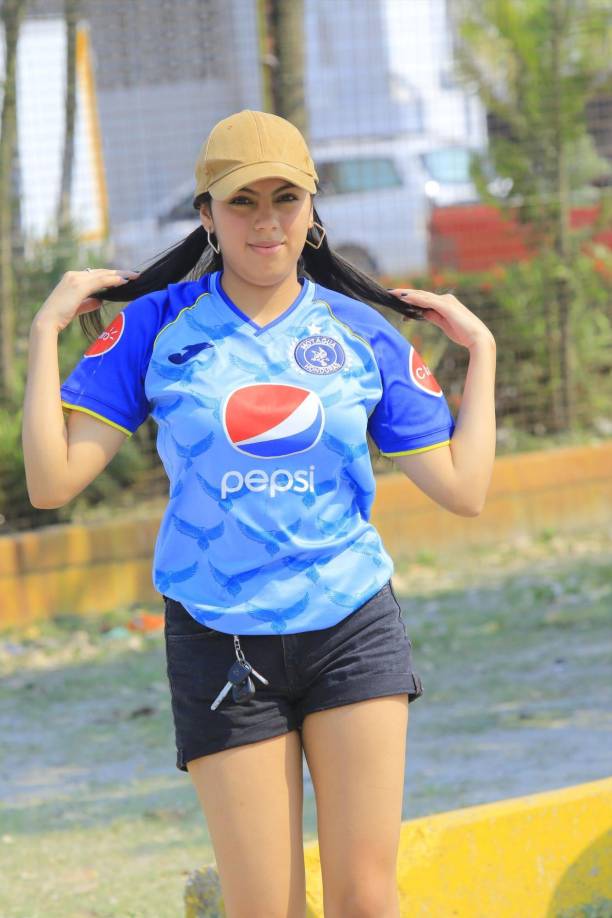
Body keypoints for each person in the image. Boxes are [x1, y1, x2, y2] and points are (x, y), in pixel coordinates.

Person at [22, 109, 496, 917]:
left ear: (314, 213)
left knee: (365, 901)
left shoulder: (361, 333)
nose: (267, 220)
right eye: (243, 201)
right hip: (220, 638)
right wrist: (42, 334)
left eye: (287, 198)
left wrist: (480, 352)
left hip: (351, 626)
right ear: (206, 213)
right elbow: (51, 484)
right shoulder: (154, 326)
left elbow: (464, 490)